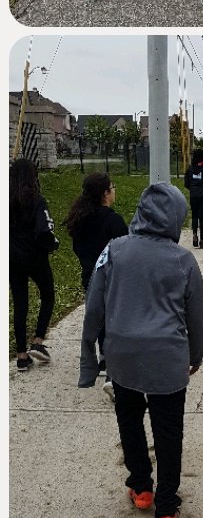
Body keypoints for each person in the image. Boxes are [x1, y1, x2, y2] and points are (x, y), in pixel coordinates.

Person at [78, 182, 203, 518]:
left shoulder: (114, 250)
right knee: (169, 432)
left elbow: (95, 306)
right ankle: (166, 508)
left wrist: (89, 357)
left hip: (123, 357)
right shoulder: (182, 260)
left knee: (130, 420)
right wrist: (195, 355)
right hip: (167, 359)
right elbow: (198, 314)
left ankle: (141, 486)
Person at [64, 172, 127, 387]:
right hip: (112, 277)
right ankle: (113, 366)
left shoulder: (79, 219)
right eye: (113, 187)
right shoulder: (113, 221)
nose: (114, 190)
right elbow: (125, 250)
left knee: (98, 318)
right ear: (105, 194)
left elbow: (77, 248)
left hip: (89, 276)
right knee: (115, 321)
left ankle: (104, 358)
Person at [9, 158, 59, 373]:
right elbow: (44, 230)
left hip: (12, 258)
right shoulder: (37, 201)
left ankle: (21, 355)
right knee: (48, 295)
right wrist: (53, 244)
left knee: (20, 303)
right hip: (35, 258)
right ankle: (38, 340)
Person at [183, 147, 203, 249]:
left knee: (195, 216)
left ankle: (194, 235)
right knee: (202, 217)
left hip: (193, 195)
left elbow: (186, 184)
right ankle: (202, 240)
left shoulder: (190, 169)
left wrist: (193, 188)